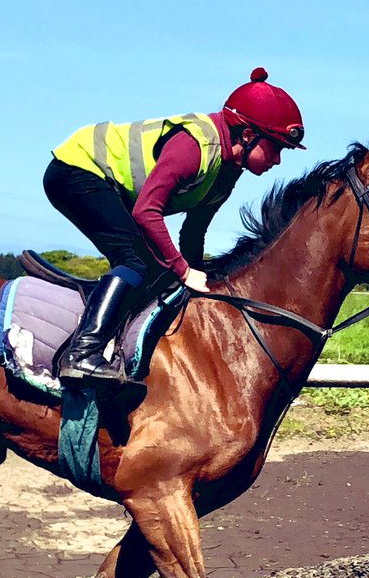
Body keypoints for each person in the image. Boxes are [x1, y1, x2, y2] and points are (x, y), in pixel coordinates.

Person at [44, 67, 305, 389]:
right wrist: (183, 271)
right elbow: (146, 211)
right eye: (276, 147)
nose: (278, 160)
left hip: (111, 187)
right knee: (135, 261)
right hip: (77, 171)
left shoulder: (228, 169)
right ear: (248, 135)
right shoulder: (194, 149)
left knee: (158, 270)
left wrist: (195, 276)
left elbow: (193, 232)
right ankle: (82, 354)